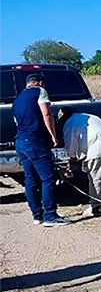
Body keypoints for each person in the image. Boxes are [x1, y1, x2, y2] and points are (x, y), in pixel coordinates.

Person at [11, 73, 69, 226]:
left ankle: (37, 215)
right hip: (36, 141)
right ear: (40, 83)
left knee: (30, 179)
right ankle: (50, 215)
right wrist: (53, 136)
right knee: (48, 178)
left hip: (21, 142)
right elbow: (47, 113)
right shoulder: (40, 92)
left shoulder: (17, 101)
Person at [60, 110, 101, 217]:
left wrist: (71, 160)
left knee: (96, 178)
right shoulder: (89, 117)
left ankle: (96, 206)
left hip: (98, 147)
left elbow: (71, 147)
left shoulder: (70, 123)